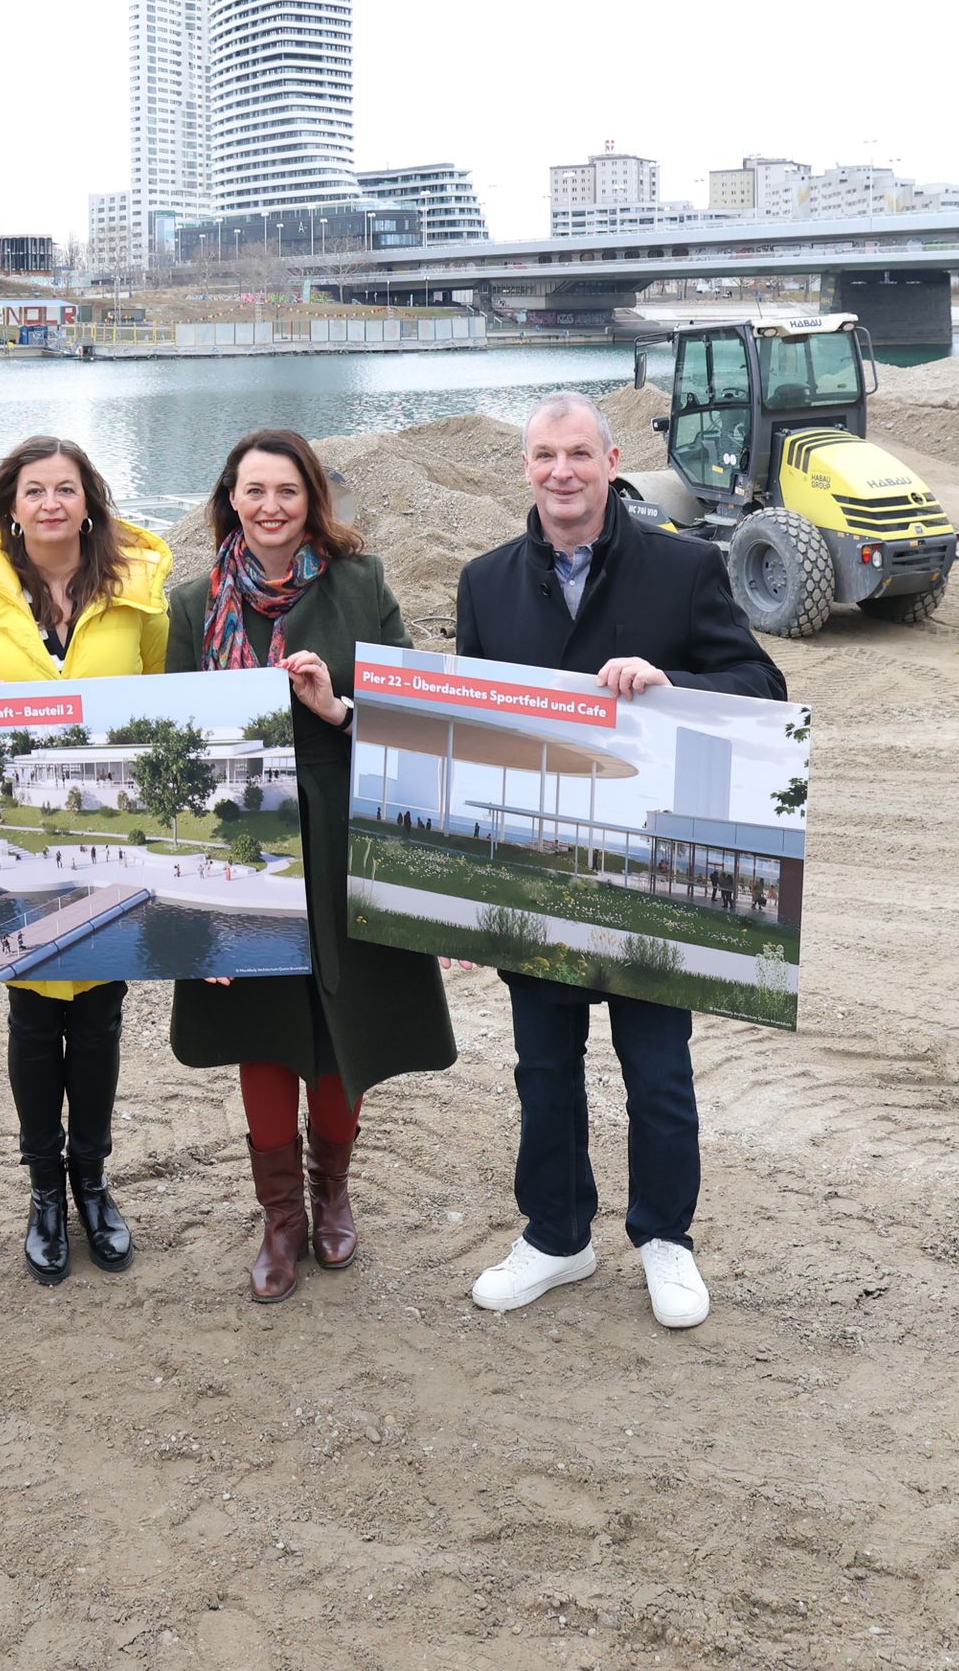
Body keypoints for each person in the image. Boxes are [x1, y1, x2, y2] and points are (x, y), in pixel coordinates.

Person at [453, 392, 782, 1334]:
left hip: (653, 871)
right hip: (537, 871)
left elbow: (763, 686)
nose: (562, 472)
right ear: (527, 467)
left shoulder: (685, 567)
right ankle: (557, 1235)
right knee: (543, 1071)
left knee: (659, 1073)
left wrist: (675, 686)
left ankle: (665, 1238)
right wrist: (465, 893)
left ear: (611, 458)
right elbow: (474, 738)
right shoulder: (484, 584)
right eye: (544, 456)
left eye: (579, 455)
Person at [165, 427, 456, 1302]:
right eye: (253, 490)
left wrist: (336, 709)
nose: (270, 507)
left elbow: (414, 723)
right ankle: (281, 1217)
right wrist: (198, 901)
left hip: (342, 829)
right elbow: (178, 752)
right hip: (241, 838)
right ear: (231, 499)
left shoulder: (361, 586)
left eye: (286, 490)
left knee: (341, 1030)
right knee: (265, 1027)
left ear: (311, 500)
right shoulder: (192, 604)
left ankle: (333, 1192)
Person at [0, 434, 173, 1283]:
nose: (50, 505)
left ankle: (93, 1180)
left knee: (101, 1018)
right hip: (20, 836)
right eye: (34, 490)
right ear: (11, 504)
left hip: (105, 829)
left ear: (89, 500)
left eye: (65, 489)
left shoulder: (141, 591)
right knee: (35, 1018)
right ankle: (43, 1188)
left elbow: (159, 702)